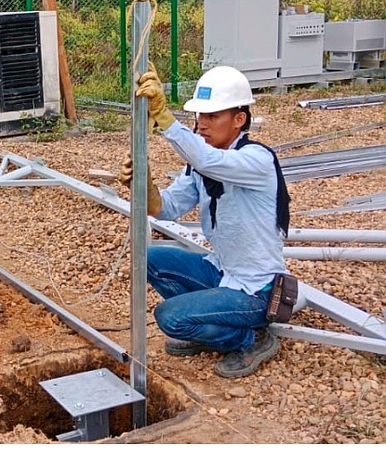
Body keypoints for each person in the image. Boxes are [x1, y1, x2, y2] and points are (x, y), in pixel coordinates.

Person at [119, 65, 292, 378]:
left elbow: (207, 161)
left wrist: (164, 117)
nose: (201, 124)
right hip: (222, 272)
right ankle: (207, 325)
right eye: (200, 115)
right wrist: (143, 182)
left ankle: (251, 339)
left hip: (257, 290)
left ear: (239, 119)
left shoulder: (256, 160)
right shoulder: (201, 165)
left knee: (170, 318)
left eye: (212, 116)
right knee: (147, 258)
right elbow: (164, 208)